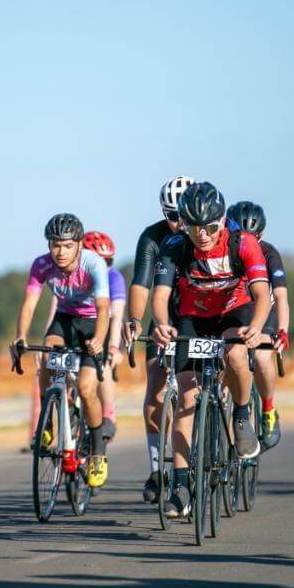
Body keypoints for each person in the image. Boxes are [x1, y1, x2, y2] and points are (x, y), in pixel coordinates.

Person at [152, 182, 272, 517]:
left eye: (209, 227)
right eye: (193, 227)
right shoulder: (175, 245)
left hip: (235, 310)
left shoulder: (243, 243)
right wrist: (162, 323)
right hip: (194, 316)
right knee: (187, 399)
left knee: (234, 355)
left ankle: (241, 415)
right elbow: (160, 297)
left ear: (222, 220)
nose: (201, 234)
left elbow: (262, 294)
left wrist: (257, 326)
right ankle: (180, 486)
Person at [11, 214, 111, 487]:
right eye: (55, 245)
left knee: (87, 387)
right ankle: (48, 424)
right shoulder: (42, 265)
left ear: (79, 244)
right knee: (46, 356)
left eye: (67, 245)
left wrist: (100, 338)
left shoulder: (94, 264)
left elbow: (104, 308)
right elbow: (29, 303)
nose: (61, 252)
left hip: (93, 322)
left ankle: (98, 453)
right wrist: (20, 336)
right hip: (65, 319)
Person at [120, 175, 196, 504]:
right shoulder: (152, 237)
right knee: (155, 383)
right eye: (172, 216)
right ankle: (156, 470)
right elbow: (140, 284)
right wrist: (135, 320)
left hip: (200, 314)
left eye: (184, 215)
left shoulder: (205, 235)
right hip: (164, 315)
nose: (179, 223)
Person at [44, 231, 126, 440]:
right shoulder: (69, 273)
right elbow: (55, 311)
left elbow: (115, 315)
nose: (104, 266)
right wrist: (46, 341)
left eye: (109, 261)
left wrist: (114, 348)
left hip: (98, 326)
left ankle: (108, 414)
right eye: (100, 260)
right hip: (69, 325)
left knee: (104, 364)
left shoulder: (113, 277)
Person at [226, 201, 289, 450]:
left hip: (266, 309)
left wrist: (282, 332)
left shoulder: (270, 253)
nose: (245, 242)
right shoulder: (225, 250)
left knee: (263, 358)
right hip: (237, 310)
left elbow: (282, 297)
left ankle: (268, 409)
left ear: (261, 236)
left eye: (252, 236)